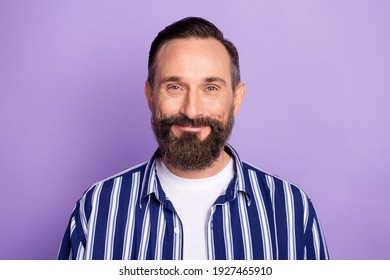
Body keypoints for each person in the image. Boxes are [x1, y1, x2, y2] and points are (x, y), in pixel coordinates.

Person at [58, 17, 329, 260]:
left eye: (211, 88)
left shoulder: (291, 208)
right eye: (174, 87)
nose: (192, 110)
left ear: (237, 98)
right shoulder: (98, 206)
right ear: (150, 95)